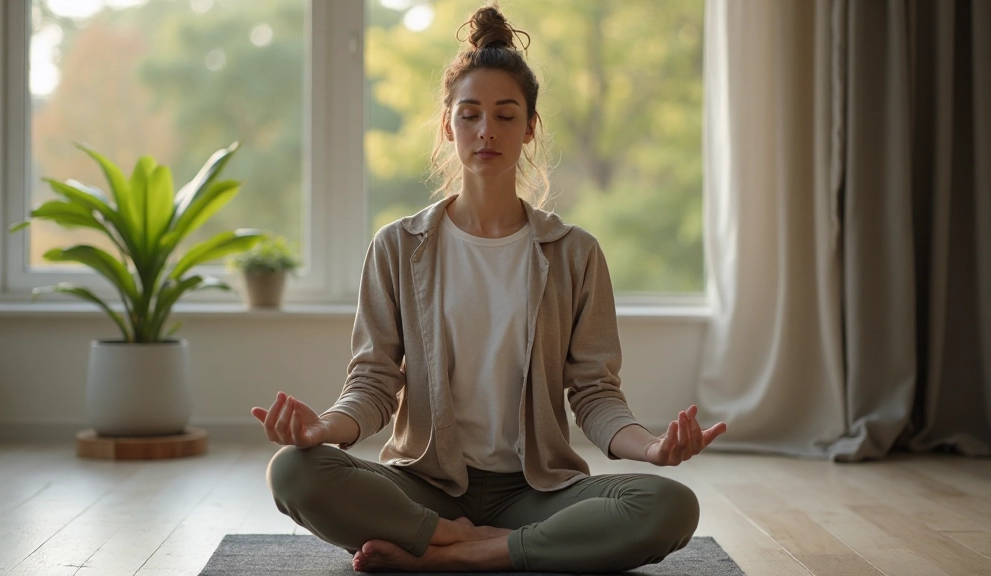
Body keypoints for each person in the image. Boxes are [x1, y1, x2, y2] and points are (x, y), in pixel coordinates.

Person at [252, 4, 726, 573]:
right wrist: (322, 427)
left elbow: (594, 394)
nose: (487, 131)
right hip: (426, 488)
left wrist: (651, 447)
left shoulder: (575, 253)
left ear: (530, 128)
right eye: (471, 114)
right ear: (448, 124)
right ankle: (460, 540)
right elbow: (375, 383)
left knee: (670, 505)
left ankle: (455, 555)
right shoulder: (397, 247)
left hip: (535, 494)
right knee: (293, 469)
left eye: (506, 115)